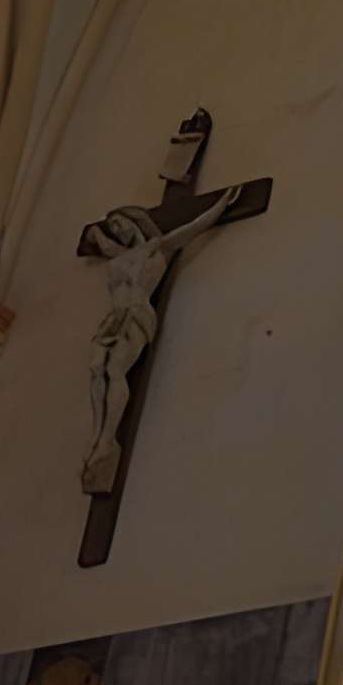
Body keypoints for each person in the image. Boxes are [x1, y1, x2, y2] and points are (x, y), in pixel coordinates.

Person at [82, 185, 241, 493]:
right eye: (114, 227)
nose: (117, 230)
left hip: (137, 314)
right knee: (95, 370)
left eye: (122, 224)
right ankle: (96, 434)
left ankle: (107, 438)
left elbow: (194, 227)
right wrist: (98, 230)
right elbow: (93, 236)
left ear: (135, 224)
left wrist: (221, 206)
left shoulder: (158, 247)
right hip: (111, 320)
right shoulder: (118, 256)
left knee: (115, 370)